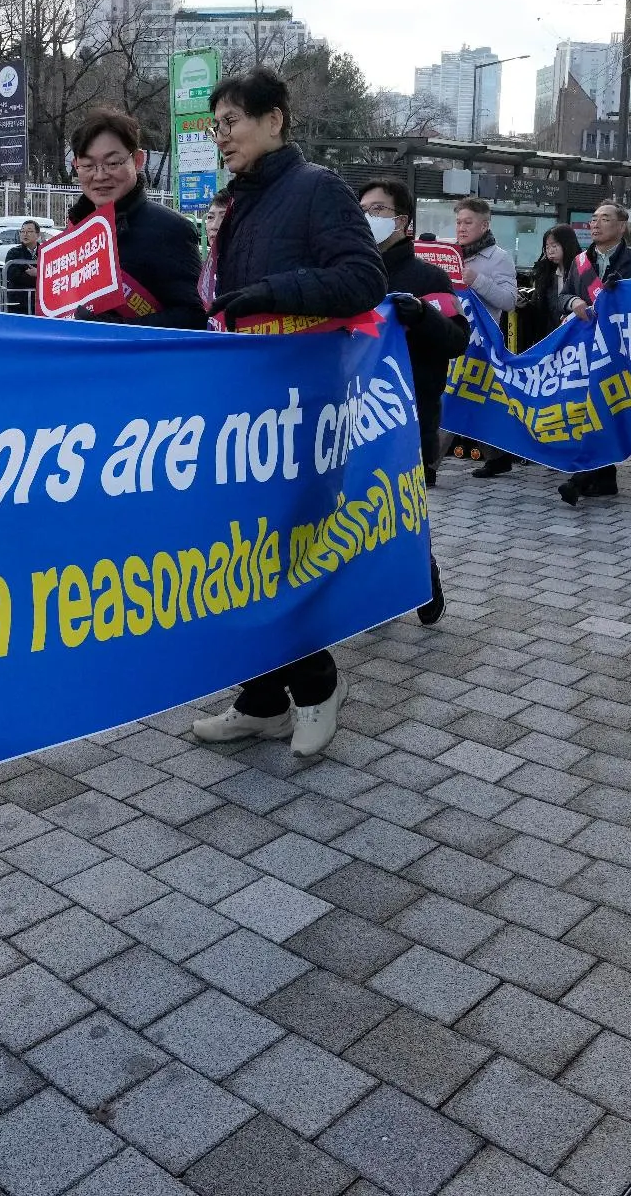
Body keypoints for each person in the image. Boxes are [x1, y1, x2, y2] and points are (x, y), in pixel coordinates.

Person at [188, 68, 384, 758]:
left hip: (301, 413)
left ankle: (318, 684)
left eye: (233, 121)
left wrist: (274, 290)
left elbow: (364, 278)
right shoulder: (234, 203)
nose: (222, 137)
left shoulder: (317, 189)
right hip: (242, 408)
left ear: (275, 121)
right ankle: (263, 699)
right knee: (241, 554)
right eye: (216, 126)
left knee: (286, 552)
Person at [357, 179, 464, 626]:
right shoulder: (350, 273)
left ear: (402, 221)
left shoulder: (429, 278)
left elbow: (459, 340)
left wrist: (423, 317)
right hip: (352, 412)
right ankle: (372, 592)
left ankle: (425, 576)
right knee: (358, 506)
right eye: (363, 208)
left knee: (403, 502)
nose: (369, 217)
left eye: (378, 209)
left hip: (410, 409)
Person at [65, 107, 206, 329]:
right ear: (76, 166)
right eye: (88, 165)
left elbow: (194, 316)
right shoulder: (72, 232)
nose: (100, 175)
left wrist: (118, 328)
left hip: (142, 361)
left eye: (112, 163)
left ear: (138, 160)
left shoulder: (170, 229)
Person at [557, 203, 631, 505]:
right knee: (589, 409)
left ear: (622, 226)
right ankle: (599, 475)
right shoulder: (580, 261)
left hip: (623, 351)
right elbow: (564, 293)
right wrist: (572, 302)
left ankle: (585, 476)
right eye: (593, 220)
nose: (596, 225)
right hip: (588, 350)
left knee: (610, 407)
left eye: (605, 219)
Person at [453, 197, 521, 477]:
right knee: (462, 397)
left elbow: (509, 300)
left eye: (468, 222)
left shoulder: (499, 258)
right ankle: (497, 456)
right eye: (458, 222)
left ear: (485, 224)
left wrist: (477, 281)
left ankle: (429, 466)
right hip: (451, 335)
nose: (461, 228)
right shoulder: (449, 252)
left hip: (481, 341)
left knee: (471, 397)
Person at [517, 225, 582, 350]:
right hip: (549, 339)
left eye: (554, 246)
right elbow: (538, 309)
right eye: (547, 247)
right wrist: (523, 304)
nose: (550, 250)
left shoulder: (582, 271)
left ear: (567, 245)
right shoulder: (545, 275)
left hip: (575, 339)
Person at [5, 219, 42, 312]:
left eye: (29, 231)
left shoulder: (45, 251)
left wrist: (39, 273)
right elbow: (13, 276)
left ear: (37, 235)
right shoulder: (13, 252)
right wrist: (39, 278)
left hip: (40, 301)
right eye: (22, 231)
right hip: (18, 301)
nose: (25, 234)